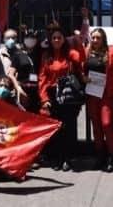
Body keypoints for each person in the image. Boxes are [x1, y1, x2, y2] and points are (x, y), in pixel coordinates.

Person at [38, 23, 84, 171]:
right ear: (50, 40)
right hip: (53, 94)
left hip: (68, 93)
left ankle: (68, 158)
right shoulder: (46, 56)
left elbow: (81, 58)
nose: (57, 40)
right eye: (54, 38)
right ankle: (58, 157)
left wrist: (78, 42)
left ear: (64, 39)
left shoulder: (69, 53)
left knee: (69, 127)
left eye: (59, 38)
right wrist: (44, 98)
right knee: (56, 128)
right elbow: (42, 78)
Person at [83, 24, 113, 172]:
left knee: (106, 123)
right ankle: (100, 156)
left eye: (98, 37)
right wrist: (83, 77)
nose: (95, 39)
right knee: (96, 126)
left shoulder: (110, 52)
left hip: (107, 94)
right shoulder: (87, 51)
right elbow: (81, 68)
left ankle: (112, 155)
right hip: (92, 93)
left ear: (104, 39)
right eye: (93, 37)